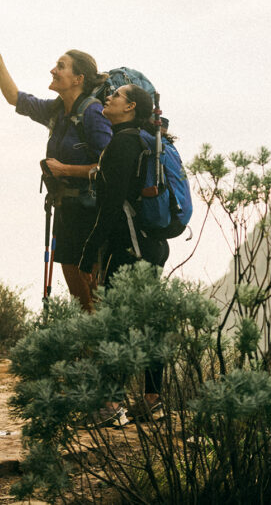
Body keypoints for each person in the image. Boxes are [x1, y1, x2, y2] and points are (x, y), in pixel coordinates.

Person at [0, 23, 111, 310]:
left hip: (89, 213)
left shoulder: (93, 114)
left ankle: (94, 344)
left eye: (60, 66)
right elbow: (14, 97)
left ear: (78, 78)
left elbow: (108, 168)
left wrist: (65, 171)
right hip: (65, 208)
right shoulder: (57, 111)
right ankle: (86, 343)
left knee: (90, 287)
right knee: (75, 282)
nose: (53, 70)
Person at [79, 83, 170, 420]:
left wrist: (89, 251)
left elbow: (111, 206)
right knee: (148, 321)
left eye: (116, 96)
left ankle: (112, 405)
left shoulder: (124, 144)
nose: (108, 98)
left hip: (131, 246)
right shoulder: (141, 142)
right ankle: (152, 400)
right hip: (152, 244)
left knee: (116, 321)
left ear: (130, 106)